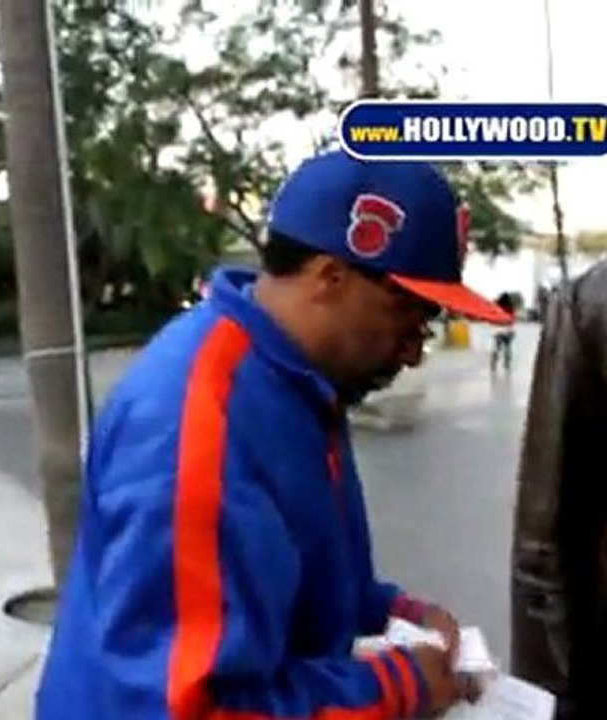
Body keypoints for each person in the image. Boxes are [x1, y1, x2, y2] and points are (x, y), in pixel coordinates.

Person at [36, 151, 514, 720]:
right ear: (329, 278)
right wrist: (400, 686)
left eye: (428, 326)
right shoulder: (196, 420)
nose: (415, 351)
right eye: (406, 314)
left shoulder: (297, 380)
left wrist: (393, 612)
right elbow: (190, 708)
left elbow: (298, 581)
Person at [511, 261, 607, 719]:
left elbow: (543, 536)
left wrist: (550, 693)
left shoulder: (590, 301)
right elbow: (545, 536)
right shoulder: (591, 303)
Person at [490, 292, 517, 373]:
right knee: (508, 348)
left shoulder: (497, 306)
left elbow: (494, 317)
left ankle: (494, 363)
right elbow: (512, 319)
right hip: (508, 330)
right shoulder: (510, 307)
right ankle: (507, 363)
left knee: (497, 347)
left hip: (499, 330)